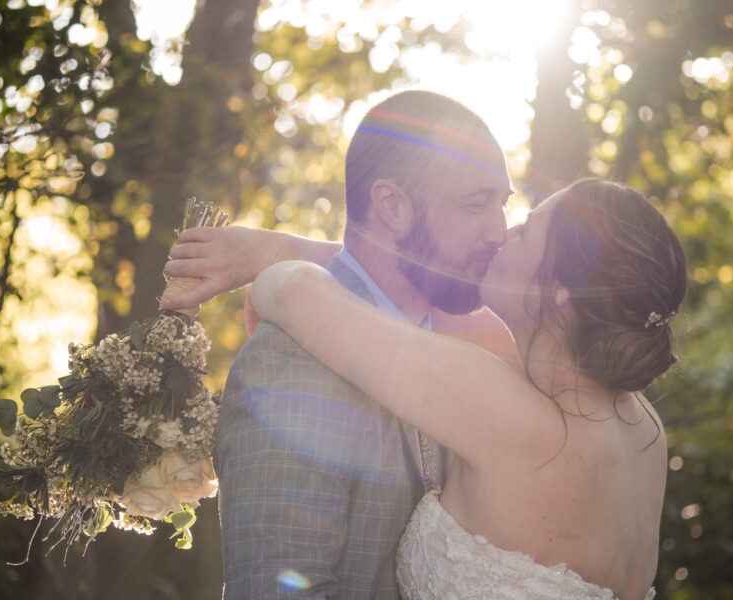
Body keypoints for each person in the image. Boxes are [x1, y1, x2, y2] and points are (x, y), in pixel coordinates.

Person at [249, 179, 686, 599]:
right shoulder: (642, 427)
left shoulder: (504, 411)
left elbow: (288, 291)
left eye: (527, 231)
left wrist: (268, 256)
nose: (505, 232)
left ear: (558, 294)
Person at [163, 90, 516, 598]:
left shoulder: (465, 347)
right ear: (392, 205)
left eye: (503, 204)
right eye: (474, 205)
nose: (499, 231)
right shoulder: (293, 365)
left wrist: (282, 249)